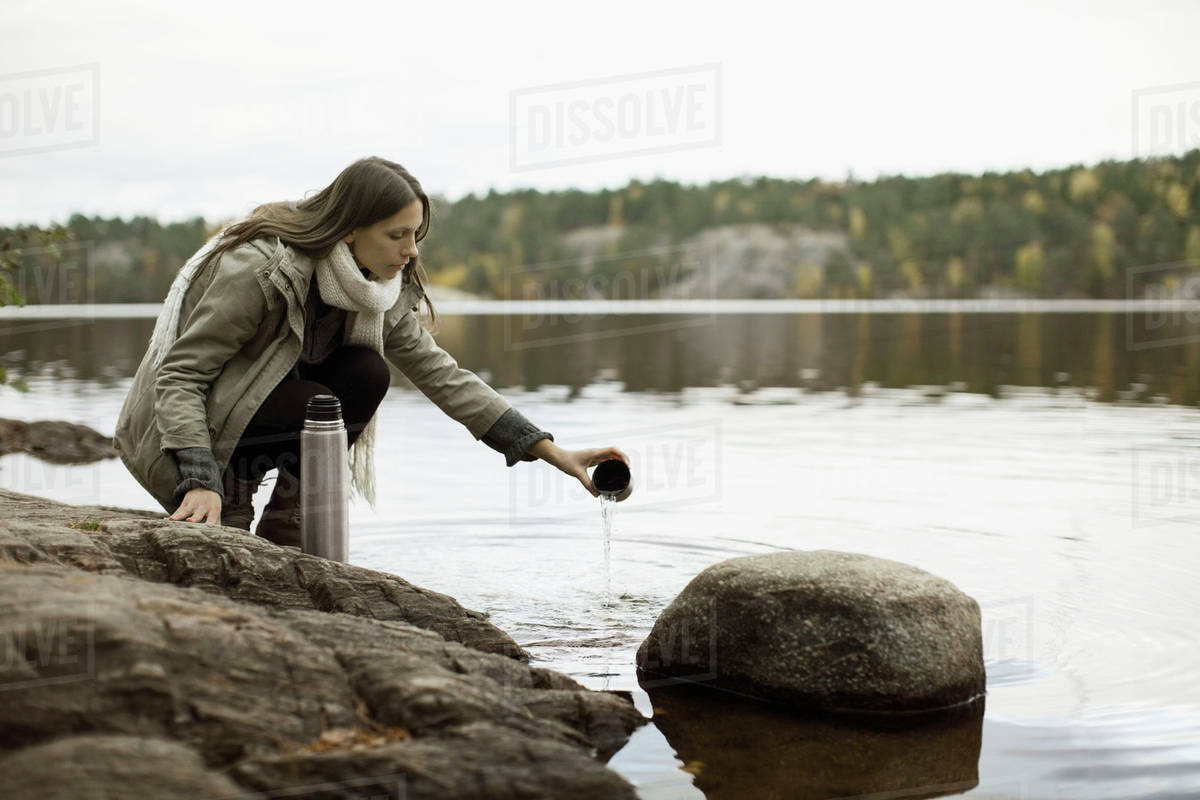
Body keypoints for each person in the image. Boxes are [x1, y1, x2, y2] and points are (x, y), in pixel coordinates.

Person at [113, 156, 630, 547]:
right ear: (351, 229)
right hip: (188, 438)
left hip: (268, 411)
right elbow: (181, 376)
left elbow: (441, 375)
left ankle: (289, 516)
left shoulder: (378, 290)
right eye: (398, 235)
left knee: (366, 371)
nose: (412, 251)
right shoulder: (260, 268)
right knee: (316, 400)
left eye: (417, 234)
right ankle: (231, 499)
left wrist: (548, 449)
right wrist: (199, 482)